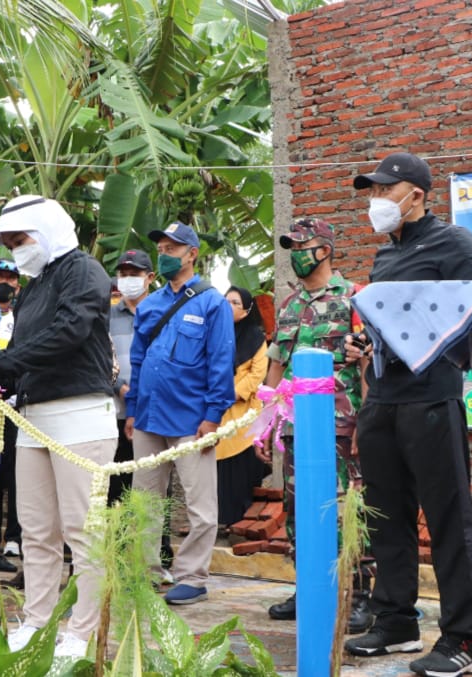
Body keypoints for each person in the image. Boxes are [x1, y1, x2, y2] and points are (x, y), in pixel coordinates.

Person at [343, 153, 472, 676]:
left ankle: (465, 640)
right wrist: (363, 344)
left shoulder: (456, 245)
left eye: (386, 190)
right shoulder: (385, 258)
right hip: (382, 401)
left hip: (432, 399)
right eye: (373, 192)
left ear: (418, 195)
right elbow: (386, 326)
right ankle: (396, 620)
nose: (377, 201)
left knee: (449, 517)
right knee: (386, 515)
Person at [0, 195, 117, 659]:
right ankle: (38, 619)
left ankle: (83, 628)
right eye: (11, 243)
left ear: (49, 228)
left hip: (81, 415)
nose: (17, 250)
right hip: (33, 418)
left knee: (82, 530)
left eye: (21, 239)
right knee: (35, 530)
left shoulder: (84, 271)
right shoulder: (32, 288)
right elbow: (23, 347)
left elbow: (69, 332)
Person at [256, 219, 370, 633]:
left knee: (342, 507)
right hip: (293, 425)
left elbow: (367, 366)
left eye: (302, 245)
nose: (295, 252)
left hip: (340, 422)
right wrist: (264, 426)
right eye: (290, 245)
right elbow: (276, 367)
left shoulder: (354, 297)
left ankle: (358, 593)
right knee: (295, 507)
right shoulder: (288, 305)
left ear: (325, 249)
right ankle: (309, 588)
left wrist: (364, 424)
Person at [125, 221, 235, 606]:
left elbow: (221, 362)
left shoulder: (212, 303)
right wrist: (132, 411)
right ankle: (145, 572)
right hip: (149, 418)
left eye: (174, 249)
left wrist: (213, 416)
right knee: (145, 501)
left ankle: (192, 576)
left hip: (192, 420)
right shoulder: (150, 304)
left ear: (192, 254)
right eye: (162, 249)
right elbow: (138, 361)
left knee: (200, 505)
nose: (165, 255)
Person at [213, 286, 269, 531]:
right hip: (215, 412)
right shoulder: (211, 334)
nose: (228, 306)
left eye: (235, 303)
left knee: (240, 471)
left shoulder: (255, 337)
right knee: (218, 472)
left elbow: (258, 373)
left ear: (246, 311)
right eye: (225, 301)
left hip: (243, 411)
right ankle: (220, 520)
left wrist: (230, 392)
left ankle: (241, 522)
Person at [108, 249, 155, 504]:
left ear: (149, 277)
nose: (127, 279)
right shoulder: (107, 316)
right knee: (118, 483)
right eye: (123, 274)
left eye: (134, 274)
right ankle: (119, 542)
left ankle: (160, 544)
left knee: (154, 481)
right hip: (116, 412)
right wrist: (119, 387)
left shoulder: (161, 313)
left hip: (152, 412)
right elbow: (99, 359)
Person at [0, 259, 22, 574]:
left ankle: (15, 536)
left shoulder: (21, 317)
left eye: (11, 278)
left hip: (14, 407)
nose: (5, 283)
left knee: (16, 474)